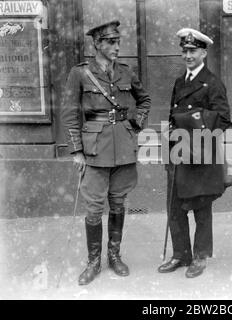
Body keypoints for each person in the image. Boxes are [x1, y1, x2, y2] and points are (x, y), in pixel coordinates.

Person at [61, 20, 151, 285]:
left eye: (118, 41)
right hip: (94, 148)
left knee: (119, 202)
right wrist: (76, 150)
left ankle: (114, 255)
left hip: (123, 146)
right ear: (97, 44)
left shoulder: (126, 72)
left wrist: (137, 122)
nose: (116, 47)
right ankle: (93, 261)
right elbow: (69, 113)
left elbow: (144, 99)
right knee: (93, 207)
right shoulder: (80, 73)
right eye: (110, 42)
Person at [157, 28, 231, 278]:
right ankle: (180, 254)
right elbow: (171, 117)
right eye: (184, 51)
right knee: (175, 207)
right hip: (178, 154)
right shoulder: (180, 82)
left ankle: (200, 256)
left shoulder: (213, 83)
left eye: (193, 51)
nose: (188, 55)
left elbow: (223, 119)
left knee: (201, 207)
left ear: (204, 53)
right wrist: (170, 138)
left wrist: (195, 131)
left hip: (200, 154)